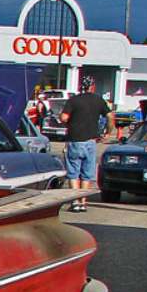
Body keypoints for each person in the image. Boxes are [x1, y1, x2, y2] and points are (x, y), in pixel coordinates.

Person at [59, 76, 114, 213]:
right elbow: (110, 116)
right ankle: (83, 202)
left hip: (75, 140)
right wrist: (108, 132)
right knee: (87, 174)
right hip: (91, 141)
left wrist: (69, 124)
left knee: (73, 173)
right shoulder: (98, 100)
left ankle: (75, 202)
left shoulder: (73, 100)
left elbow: (64, 117)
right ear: (93, 87)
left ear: (80, 87)